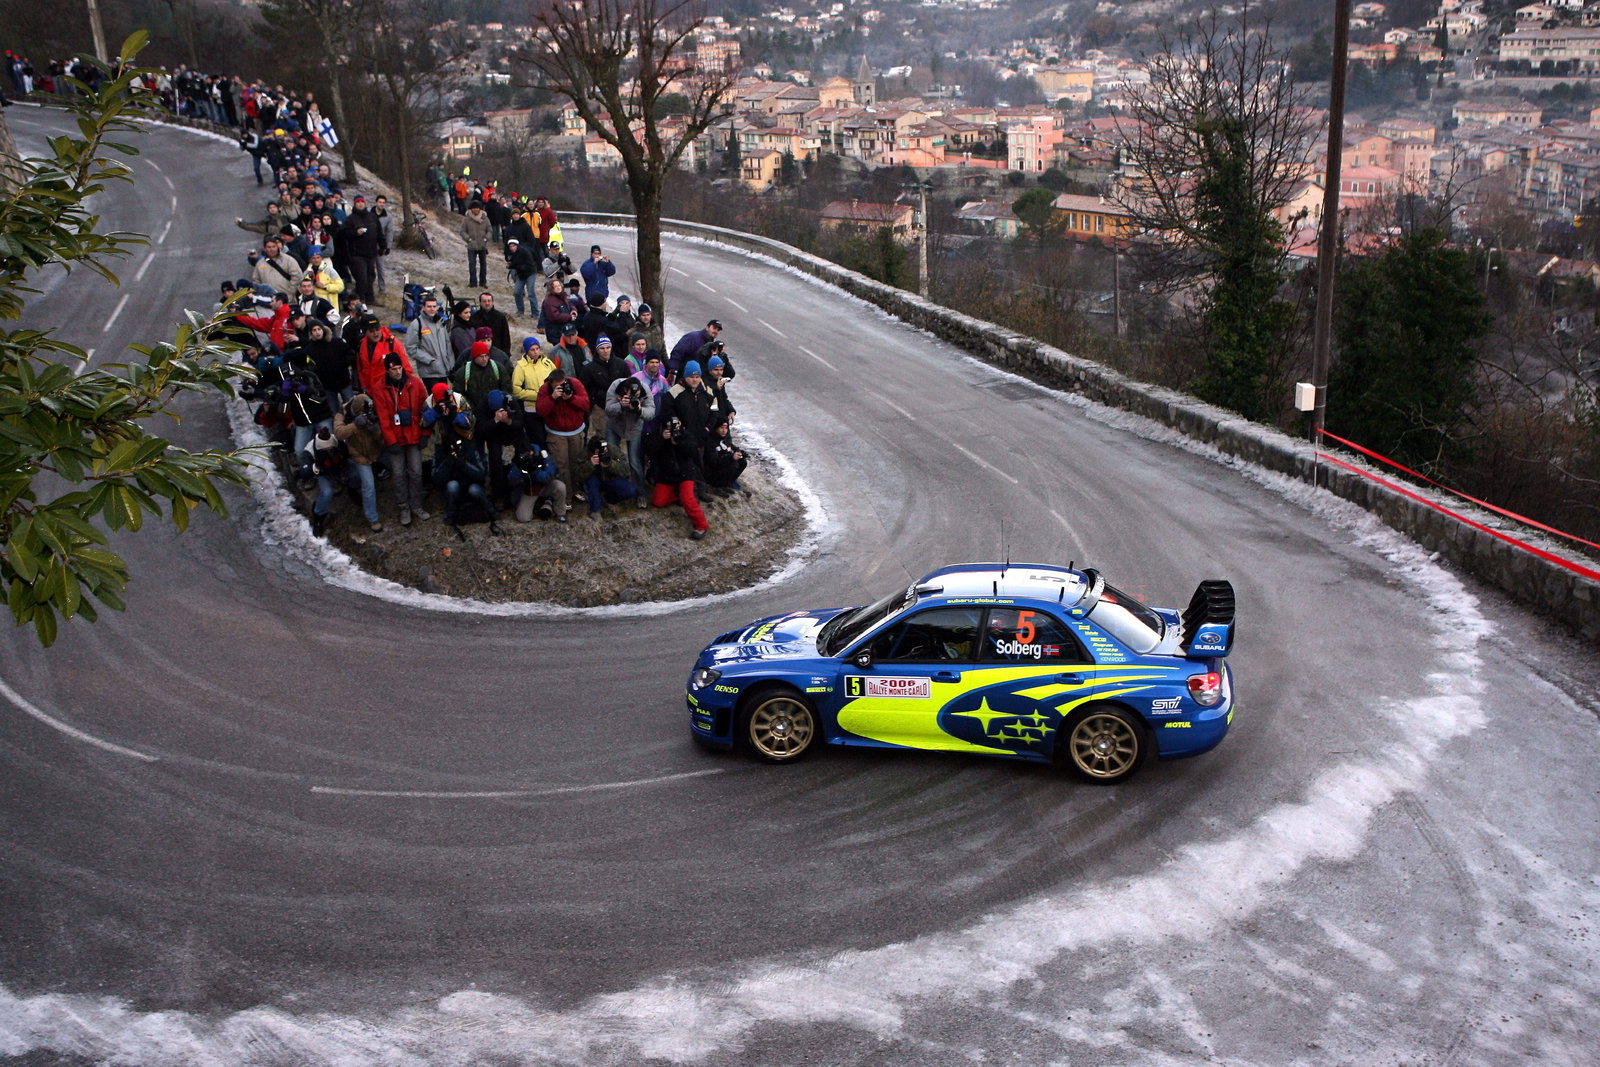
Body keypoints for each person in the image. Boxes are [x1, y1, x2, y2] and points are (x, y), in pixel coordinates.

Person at [371, 351, 429, 525]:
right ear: (387, 370)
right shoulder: (379, 388)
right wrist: (391, 441)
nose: (397, 372)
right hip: (396, 439)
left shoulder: (415, 383)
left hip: (413, 436)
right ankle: (403, 506)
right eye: (394, 369)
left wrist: (425, 433)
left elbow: (425, 410)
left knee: (416, 472)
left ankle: (416, 504)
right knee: (398, 474)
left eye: (399, 368)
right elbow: (383, 418)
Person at [534, 367, 589, 507]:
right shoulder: (544, 389)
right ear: (551, 384)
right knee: (561, 465)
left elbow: (586, 404)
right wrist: (552, 398)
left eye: (562, 384)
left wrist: (571, 397)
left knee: (576, 463)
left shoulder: (575, 384)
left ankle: (577, 490)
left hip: (575, 431)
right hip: (556, 432)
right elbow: (540, 411)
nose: (561, 387)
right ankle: (566, 496)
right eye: (557, 386)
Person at [432, 412, 498, 529]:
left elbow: (481, 474)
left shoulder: (471, 447)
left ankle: (491, 511)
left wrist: (464, 464)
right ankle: (451, 514)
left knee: (475, 490)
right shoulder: (443, 448)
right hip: (454, 486)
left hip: (472, 484)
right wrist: (448, 463)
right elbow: (436, 478)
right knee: (452, 486)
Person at [332, 392, 386, 531]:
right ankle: (373, 519)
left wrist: (375, 429)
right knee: (368, 486)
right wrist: (355, 425)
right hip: (358, 456)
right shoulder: (343, 413)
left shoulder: (374, 410)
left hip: (375, 451)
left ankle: (354, 483)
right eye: (361, 412)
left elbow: (382, 434)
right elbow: (339, 433)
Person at [650, 415, 709, 539]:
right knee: (658, 501)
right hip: (667, 475)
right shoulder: (659, 434)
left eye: (676, 426)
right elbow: (650, 449)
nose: (674, 429)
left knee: (688, 499)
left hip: (685, 473)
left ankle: (701, 526)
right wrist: (662, 438)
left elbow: (693, 451)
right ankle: (678, 495)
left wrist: (678, 442)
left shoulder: (686, 434)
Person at [605, 373, 655, 501]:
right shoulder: (616, 386)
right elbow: (608, 410)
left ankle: (640, 493)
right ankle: (611, 489)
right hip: (615, 426)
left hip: (634, 428)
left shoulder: (645, 389)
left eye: (636, 395)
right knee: (611, 457)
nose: (634, 396)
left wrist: (639, 409)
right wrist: (621, 405)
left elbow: (651, 413)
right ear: (624, 390)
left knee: (635, 461)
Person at [578, 334, 629, 440]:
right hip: (600, 408)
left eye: (608, 347)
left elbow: (628, 383)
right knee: (601, 437)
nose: (605, 351)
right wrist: (593, 402)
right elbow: (583, 389)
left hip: (620, 407)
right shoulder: (589, 369)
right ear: (597, 350)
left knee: (620, 438)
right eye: (602, 348)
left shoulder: (621, 364)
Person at [338, 194, 386, 305]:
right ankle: (360, 299)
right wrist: (355, 232)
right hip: (356, 254)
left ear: (365, 203)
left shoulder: (372, 217)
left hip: (371, 252)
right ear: (355, 204)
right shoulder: (350, 219)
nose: (360, 204)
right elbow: (343, 234)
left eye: (362, 202)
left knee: (370, 277)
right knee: (361, 277)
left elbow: (379, 233)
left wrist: (383, 246)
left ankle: (370, 298)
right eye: (358, 202)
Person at [300, 426, 346, 537]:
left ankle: (354, 491)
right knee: (327, 492)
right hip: (323, 473)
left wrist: (341, 453)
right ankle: (318, 517)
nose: (327, 451)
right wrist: (315, 467)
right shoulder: (310, 449)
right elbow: (304, 471)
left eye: (329, 449)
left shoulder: (337, 440)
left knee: (356, 474)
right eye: (324, 450)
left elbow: (348, 453)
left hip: (339, 468)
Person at [354, 316, 413, 400]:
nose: (376, 333)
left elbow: (406, 367)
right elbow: (361, 369)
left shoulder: (392, 343)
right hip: (371, 391)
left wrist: (407, 388)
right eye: (371, 331)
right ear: (365, 332)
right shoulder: (362, 345)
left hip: (390, 391)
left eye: (377, 329)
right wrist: (364, 387)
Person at [404, 294, 453, 390]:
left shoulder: (440, 322)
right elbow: (411, 347)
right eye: (429, 306)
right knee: (437, 399)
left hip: (444, 370)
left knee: (446, 400)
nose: (432, 309)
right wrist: (429, 360)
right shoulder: (416, 324)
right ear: (423, 307)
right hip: (429, 372)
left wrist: (450, 363)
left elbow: (447, 344)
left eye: (434, 306)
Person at [451, 340, 512, 416]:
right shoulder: (463, 373)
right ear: (475, 357)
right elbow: (458, 395)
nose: (484, 359)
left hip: (496, 411)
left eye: (486, 356)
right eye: (481, 356)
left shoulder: (498, 368)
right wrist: (471, 408)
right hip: (474, 413)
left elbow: (507, 388)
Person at [509, 444, 567, 523]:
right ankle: (542, 503)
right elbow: (512, 481)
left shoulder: (543, 457)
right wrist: (520, 468)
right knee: (523, 518)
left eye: (531, 453)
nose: (529, 455)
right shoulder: (518, 461)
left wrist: (535, 470)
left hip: (544, 487)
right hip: (529, 492)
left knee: (560, 486)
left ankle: (560, 513)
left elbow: (548, 477)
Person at [581, 437, 638, 517]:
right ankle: (595, 511)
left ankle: (608, 500)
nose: (603, 451)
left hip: (610, 478)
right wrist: (590, 464)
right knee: (592, 482)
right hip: (594, 480)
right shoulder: (585, 452)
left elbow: (625, 470)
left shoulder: (612, 449)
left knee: (631, 491)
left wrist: (611, 465)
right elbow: (577, 474)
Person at [703, 412, 750, 496]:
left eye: (726, 428)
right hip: (711, 472)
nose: (724, 430)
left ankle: (727, 483)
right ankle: (717, 486)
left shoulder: (726, 438)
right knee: (733, 464)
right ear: (716, 428)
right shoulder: (710, 441)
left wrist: (740, 453)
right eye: (721, 428)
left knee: (743, 462)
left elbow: (731, 447)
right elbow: (714, 462)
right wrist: (731, 458)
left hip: (723, 466)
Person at [505, 237, 539, 318]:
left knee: (531, 293)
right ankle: (520, 310)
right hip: (520, 274)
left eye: (513, 246)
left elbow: (530, 264)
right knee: (517, 292)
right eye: (510, 246)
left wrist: (515, 266)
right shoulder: (510, 253)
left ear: (517, 245)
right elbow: (511, 262)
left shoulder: (524, 252)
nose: (512, 248)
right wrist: (510, 266)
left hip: (530, 273)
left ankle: (535, 313)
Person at [540, 278, 578, 345]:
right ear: (551, 288)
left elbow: (571, 304)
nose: (558, 287)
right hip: (556, 333)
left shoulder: (564, 296)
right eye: (555, 286)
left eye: (559, 285)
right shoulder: (549, 301)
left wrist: (573, 311)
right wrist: (569, 317)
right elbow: (554, 317)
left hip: (565, 330)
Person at [462, 200, 490, 287]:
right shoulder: (466, 219)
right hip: (471, 246)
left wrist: (486, 238)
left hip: (482, 245)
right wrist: (468, 239)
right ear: (471, 209)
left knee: (483, 265)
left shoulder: (485, 218)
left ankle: (483, 282)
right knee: (472, 264)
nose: (476, 210)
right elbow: (462, 231)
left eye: (477, 208)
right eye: (474, 208)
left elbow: (489, 230)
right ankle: (473, 282)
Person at [475, 291, 511, 356]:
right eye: (484, 301)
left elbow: (506, 337)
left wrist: (506, 354)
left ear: (492, 302)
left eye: (489, 301)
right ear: (480, 303)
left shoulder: (500, 317)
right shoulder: (474, 317)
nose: (487, 303)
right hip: (479, 353)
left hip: (498, 353)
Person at [447, 300, 477, 366]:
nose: (469, 315)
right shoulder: (457, 331)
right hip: (465, 364)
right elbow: (464, 350)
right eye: (466, 313)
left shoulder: (471, 326)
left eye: (469, 312)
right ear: (459, 314)